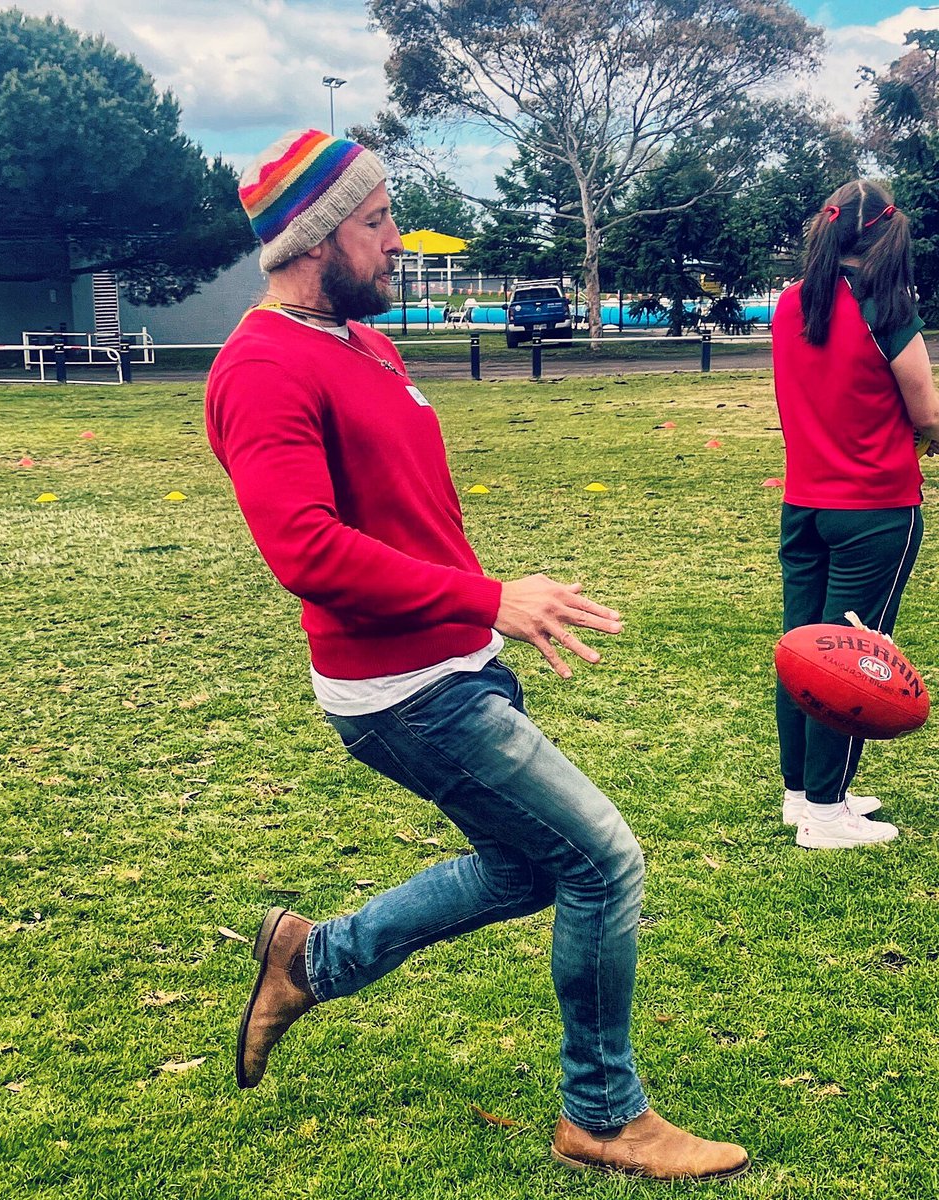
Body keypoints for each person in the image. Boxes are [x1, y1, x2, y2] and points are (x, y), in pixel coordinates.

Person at [205, 128, 749, 1181]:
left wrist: (486, 603)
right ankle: (603, 1112)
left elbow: (403, 512)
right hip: (400, 690)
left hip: (451, 660)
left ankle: (310, 958)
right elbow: (304, 550)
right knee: (602, 861)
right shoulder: (262, 367)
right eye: (375, 221)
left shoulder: (364, 344)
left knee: (531, 865)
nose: (394, 237)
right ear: (319, 239)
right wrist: (489, 597)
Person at [772, 179, 939, 850]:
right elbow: (926, 411)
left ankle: (801, 793)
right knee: (848, 658)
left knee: (802, 649)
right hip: (873, 510)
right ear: (887, 235)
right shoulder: (887, 307)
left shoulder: (790, 304)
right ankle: (825, 810)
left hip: (804, 505)